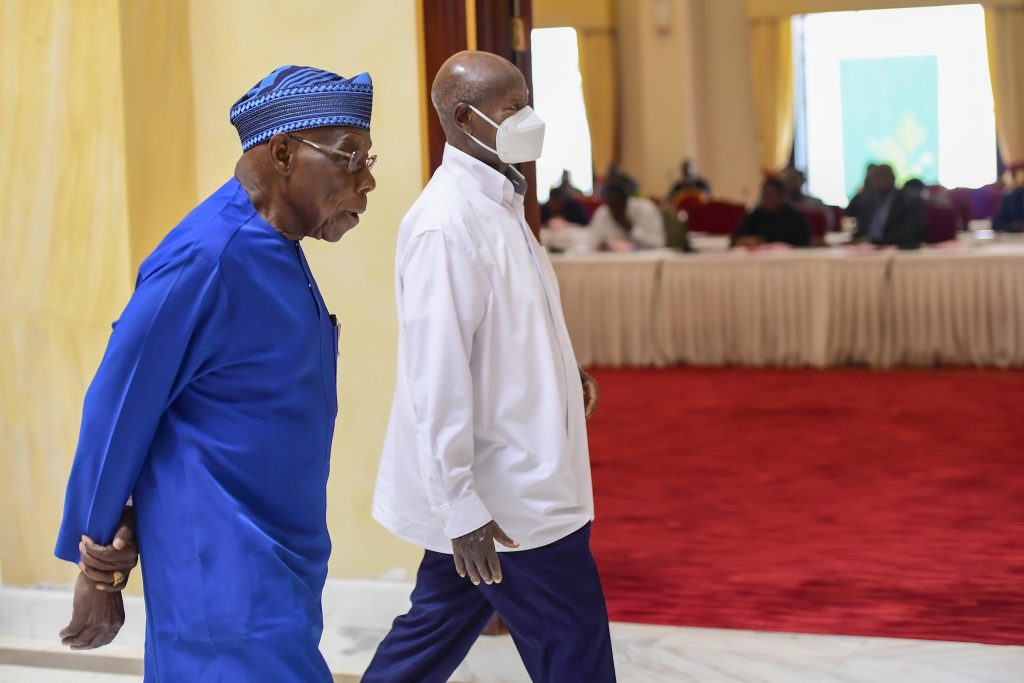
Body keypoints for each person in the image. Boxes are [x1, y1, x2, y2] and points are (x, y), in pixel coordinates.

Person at [54, 65, 377, 681]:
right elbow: (119, 404)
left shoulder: (277, 246)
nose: (367, 179)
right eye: (350, 156)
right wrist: (98, 560)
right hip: (222, 564)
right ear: (283, 152)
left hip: (278, 550)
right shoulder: (207, 258)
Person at [365, 50, 616, 683]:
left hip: (511, 475)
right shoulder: (445, 225)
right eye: (511, 109)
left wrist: (566, 373)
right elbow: (435, 378)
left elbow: (510, 329)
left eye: (526, 102)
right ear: (462, 118)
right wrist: (462, 510)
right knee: (574, 648)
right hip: (506, 497)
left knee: (431, 632)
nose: (527, 119)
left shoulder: (499, 197)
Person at [849, 164, 927, 249]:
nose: (878, 182)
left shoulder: (909, 200)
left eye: (882, 177)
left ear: (893, 178)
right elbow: (858, 226)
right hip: (867, 249)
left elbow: (912, 233)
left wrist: (883, 242)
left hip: (898, 250)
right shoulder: (867, 201)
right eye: (874, 178)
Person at [732, 177, 812, 248]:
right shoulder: (754, 217)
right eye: (765, 195)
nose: (769, 200)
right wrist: (746, 241)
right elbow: (734, 240)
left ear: (782, 196)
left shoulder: (795, 218)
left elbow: (805, 243)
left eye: (773, 195)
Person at [589, 181, 666, 249]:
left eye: (617, 206)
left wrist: (630, 228)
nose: (614, 210)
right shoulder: (603, 213)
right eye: (610, 206)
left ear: (625, 201)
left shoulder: (646, 209)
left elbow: (658, 243)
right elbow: (593, 241)